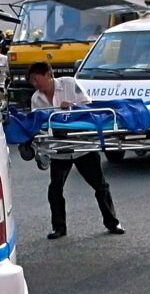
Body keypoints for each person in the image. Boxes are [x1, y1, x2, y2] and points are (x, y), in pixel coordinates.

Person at [28, 61, 125, 239]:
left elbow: (89, 107)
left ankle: (112, 222)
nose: (35, 84)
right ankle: (58, 227)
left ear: (49, 75)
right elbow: (38, 123)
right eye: (32, 81)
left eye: (37, 79)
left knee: (100, 185)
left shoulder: (69, 84)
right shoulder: (36, 98)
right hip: (60, 146)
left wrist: (72, 106)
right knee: (55, 188)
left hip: (82, 145)